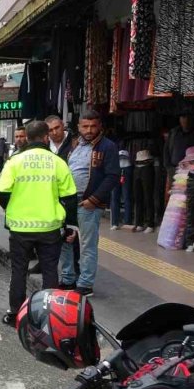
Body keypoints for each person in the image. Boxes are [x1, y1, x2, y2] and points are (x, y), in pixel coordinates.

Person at [0, 121, 78, 325]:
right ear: (45, 137)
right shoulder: (58, 162)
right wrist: (69, 225)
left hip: (20, 228)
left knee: (19, 271)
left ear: (27, 137)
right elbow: (70, 197)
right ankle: (49, 317)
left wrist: (12, 207)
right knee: (50, 272)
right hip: (50, 227)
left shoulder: (15, 161)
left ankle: (15, 313)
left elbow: (1, 192)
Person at [59, 110, 120, 297]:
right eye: (85, 126)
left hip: (88, 203)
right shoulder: (73, 145)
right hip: (68, 201)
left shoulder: (107, 147)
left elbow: (113, 176)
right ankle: (68, 279)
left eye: (93, 126)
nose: (89, 130)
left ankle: (85, 284)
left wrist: (94, 200)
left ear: (100, 126)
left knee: (87, 245)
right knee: (65, 240)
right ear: (78, 127)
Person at [163, 116, 194, 196]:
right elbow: (166, 151)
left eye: (188, 117)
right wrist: (169, 168)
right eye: (183, 117)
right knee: (175, 199)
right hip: (174, 171)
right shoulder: (174, 133)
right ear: (179, 119)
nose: (186, 120)